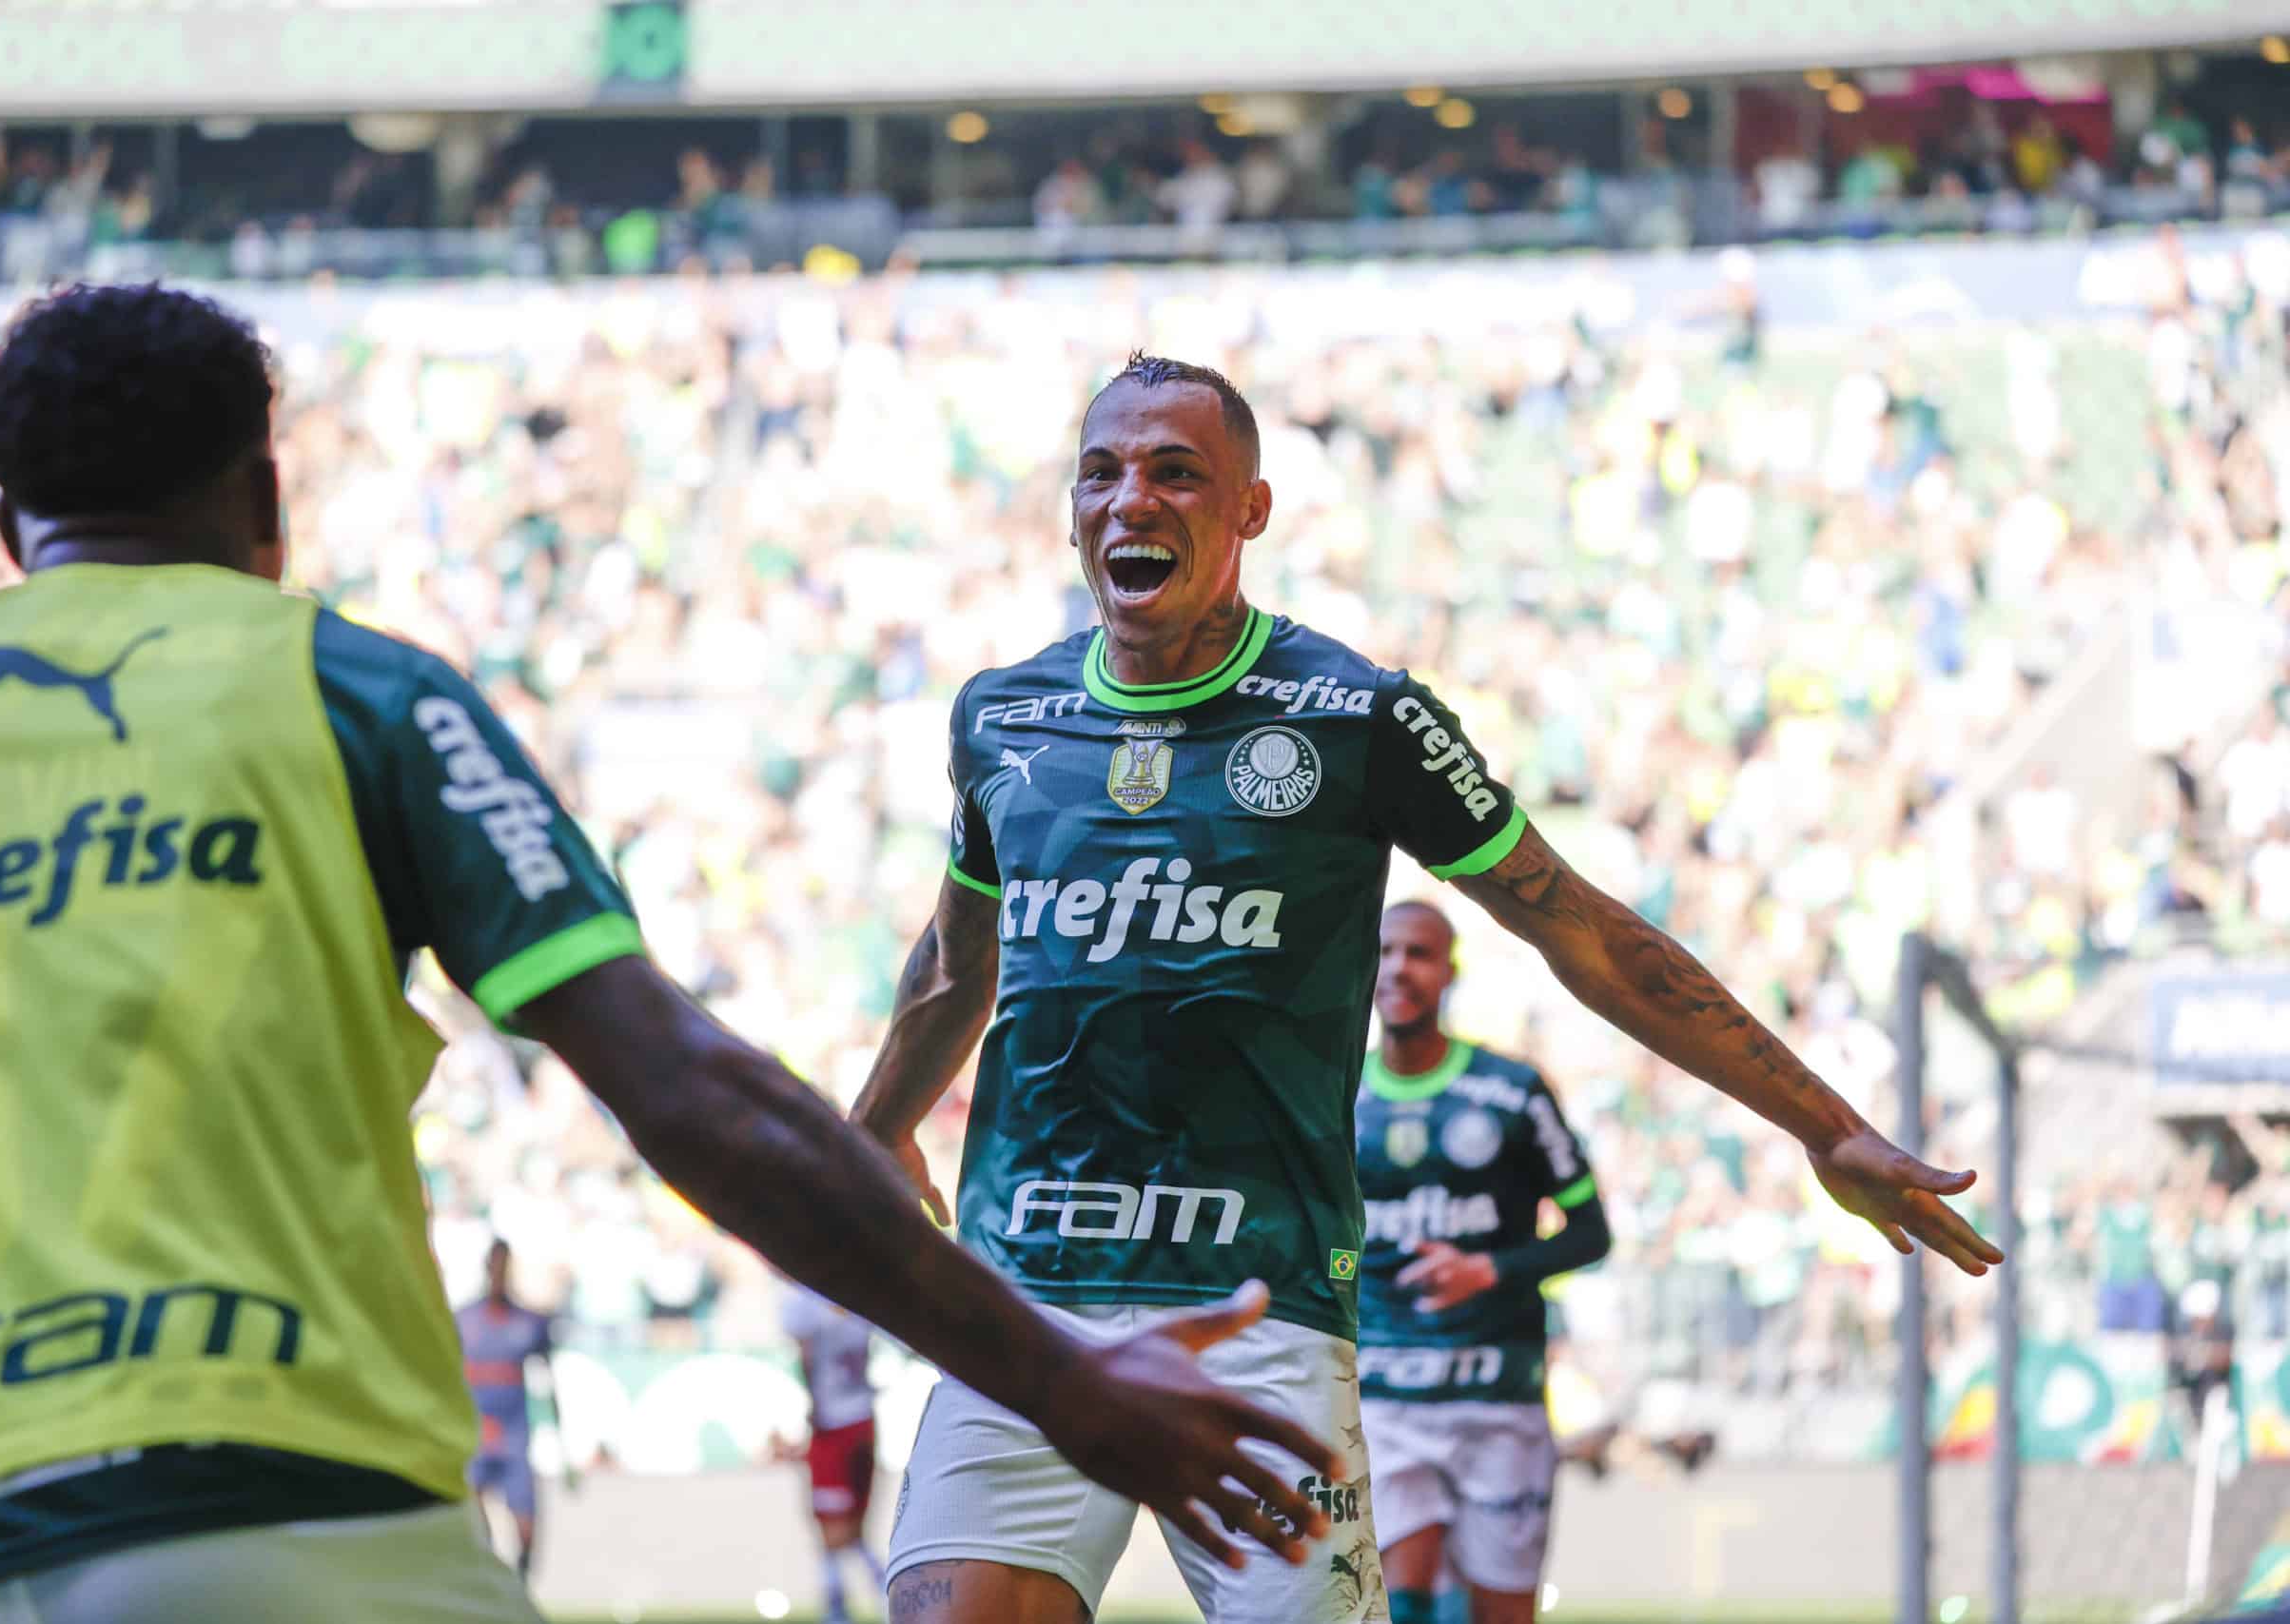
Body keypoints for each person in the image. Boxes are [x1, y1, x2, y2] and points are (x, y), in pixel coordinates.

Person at [0, 285, 1346, 1624]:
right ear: (266, 502)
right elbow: (679, 1080)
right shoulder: (355, 696)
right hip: (281, 1489)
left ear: (5, 531)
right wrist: (1056, 1372)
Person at [852, 352, 2002, 1624]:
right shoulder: (1002, 717)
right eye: (1102, 473)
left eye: (1178, 472)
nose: (1132, 500)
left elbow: (1585, 930)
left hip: (1258, 1306)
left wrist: (1822, 1119)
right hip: (1026, 1294)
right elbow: (962, 961)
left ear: (1251, 509)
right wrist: (871, 1126)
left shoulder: (1360, 717)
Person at [1355, 900, 1611, 1624]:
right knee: (1398, 1600)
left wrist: (1489, 1269)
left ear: (1449, 974)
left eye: (1420, 953)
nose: (1400, 966)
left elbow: (1591, 1233)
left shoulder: (1512, 1093)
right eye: (1387, 951)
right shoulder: (1339, 1094)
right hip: (1387, 1397)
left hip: (1500, 1398)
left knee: (1501, 1611)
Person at [454, 1241, 563, 1581]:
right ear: (487, 1268)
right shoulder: (462, 1320)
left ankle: (521, 1584)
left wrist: (561, 1434)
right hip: (475, 1434)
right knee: (476, 1526)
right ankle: (489, 1592)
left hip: (515, 1436)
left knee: (526, 1529)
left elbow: (547, 1380)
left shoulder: (530, 1323)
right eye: (494, 1266)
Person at [779, 1283, 888, 1624]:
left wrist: (814, 1408)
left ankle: (840, 1608)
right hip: (864, 1416)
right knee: (851, 1527)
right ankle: (881, 1596)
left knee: (831, 1529)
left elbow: (808, 1357)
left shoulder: (803, 1302)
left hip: (834, 1422)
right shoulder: (857, 1297)